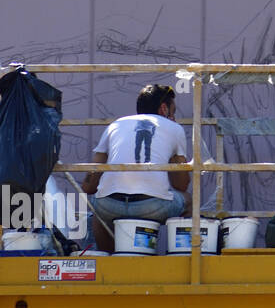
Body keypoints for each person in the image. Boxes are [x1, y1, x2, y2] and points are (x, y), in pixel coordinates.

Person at [81, 84, 192, 252]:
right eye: (173, 111)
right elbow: (181, 185)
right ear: (164, 109)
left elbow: (88, 187)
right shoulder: (174, 128)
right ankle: (182, 256)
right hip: (152, 206)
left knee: (98, 212)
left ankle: (111, 262)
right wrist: (173, 157)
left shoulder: (116, 125)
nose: (174, 116)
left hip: (110, 206)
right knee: (189, 201)